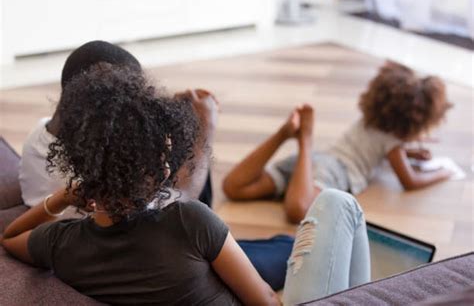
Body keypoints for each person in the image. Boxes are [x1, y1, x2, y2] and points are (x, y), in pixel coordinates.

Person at [2, 64, 370, 305]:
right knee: (339, 204)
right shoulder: (189, 221)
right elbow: (266, 303)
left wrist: (68, 193)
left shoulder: (64, 244)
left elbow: (9, 236)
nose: (167, 159)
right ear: (156, 172)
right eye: (161, 155)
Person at [223, 62, 453, 223]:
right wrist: (443, 172)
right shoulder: (393, 141)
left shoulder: (370, 119)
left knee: (234, 188)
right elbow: (410, 181)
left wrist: (409, 154)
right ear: (415, 121)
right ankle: (306, 140)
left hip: (313, 162)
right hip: (335, 171)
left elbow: (373, 149)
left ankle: (284, 135)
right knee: (298, 210)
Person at [18, 40, 214, 209]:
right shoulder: (99, 180)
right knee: (191, 151)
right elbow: (184, 201)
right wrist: (206, 125)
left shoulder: (39, 135)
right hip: (135, 242)